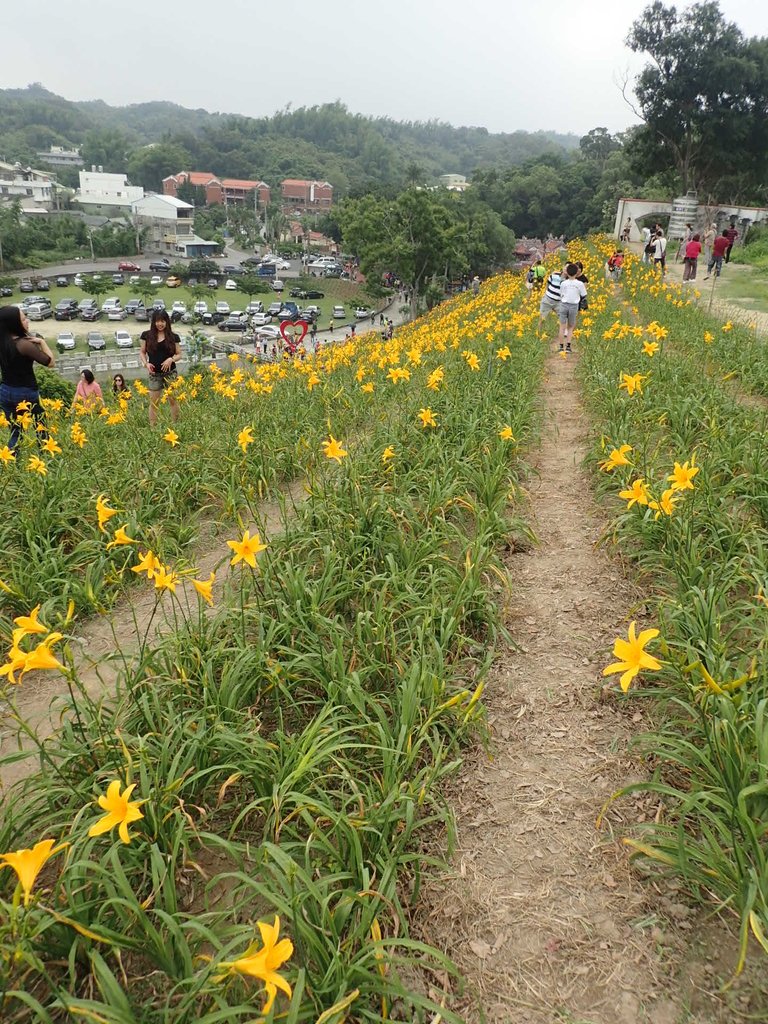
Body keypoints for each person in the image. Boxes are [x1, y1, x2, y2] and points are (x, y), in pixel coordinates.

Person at [0, 305, 55, 450]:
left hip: (5, 391)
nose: (27, 321)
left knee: (16, 431)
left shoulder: (2, 342)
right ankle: (45, 457)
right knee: (41, 426)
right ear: (15, 324)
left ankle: (12, 461)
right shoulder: (24, 345)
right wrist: (42, 342)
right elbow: (50, 362)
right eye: (24, 319)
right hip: (26, 392)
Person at [139, 309, 181, 426]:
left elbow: (179, 354)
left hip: (170, 373)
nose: (160, 324)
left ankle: (175, 425)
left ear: (167, 322)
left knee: (173, 400)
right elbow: (142, 352)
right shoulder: (146, 336)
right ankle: (153, 428)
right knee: (154, 403)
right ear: (153, 322)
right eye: (157, 321)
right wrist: (146, 363)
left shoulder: (173, 337)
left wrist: (171, 359)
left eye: (162, 321)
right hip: (154, 374)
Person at [558, 263, 587, 353]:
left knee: (562, 327)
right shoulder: (580, 283)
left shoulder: (563, 283)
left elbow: (561, 293)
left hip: (563, 305)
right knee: (570, 327)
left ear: (567, 273)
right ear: (576, 273)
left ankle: (560, 347)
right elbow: (584, 295)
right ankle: (568, 347)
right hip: (574, 306)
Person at [537, 266, 563, 335]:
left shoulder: (568, 280)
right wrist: (546, 293)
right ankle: (538, 334)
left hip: (558, 302)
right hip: (547, 299)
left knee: (563, 317)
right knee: (542, 317)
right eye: (565, 268)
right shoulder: (554, 275)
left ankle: (562, 333)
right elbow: (548, 283)